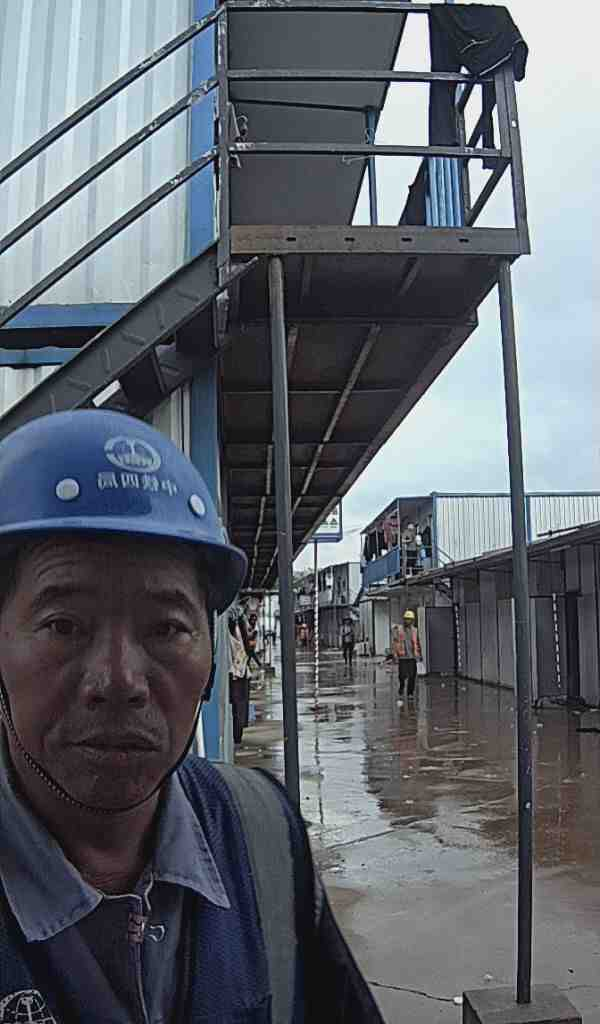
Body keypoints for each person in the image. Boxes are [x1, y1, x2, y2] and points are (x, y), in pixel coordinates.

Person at [0, 410, 383, 1024]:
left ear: (210, 652)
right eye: (64, 625)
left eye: (166, 628)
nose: (120, 682)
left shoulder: (262, 834)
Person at [392, 609, 423, 707]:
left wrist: (420, 654)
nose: (408, 621)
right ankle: (401, 686)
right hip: (402, 656)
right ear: (404, 619)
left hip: (412, 656)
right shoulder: (399, 629)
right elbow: (395, 642)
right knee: (402, 675)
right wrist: (395, 654)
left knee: (412, 676)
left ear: (412, 621)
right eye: (406, 619)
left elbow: (417, 642)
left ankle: (410, 693)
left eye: (409, 619)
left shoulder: (415, 630)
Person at [228, 611, 250, 745]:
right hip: (238, 675)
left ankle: (237, 735)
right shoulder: (233, 637)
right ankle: (237, 736)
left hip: (238, 675)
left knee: (238, 709)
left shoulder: (233, 636)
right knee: (239, 709)